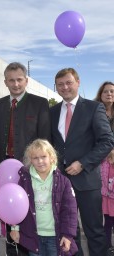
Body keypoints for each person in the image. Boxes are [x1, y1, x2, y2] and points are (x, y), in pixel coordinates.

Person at [50, 68, 114, 256]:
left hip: (87, 180)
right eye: (60, 84)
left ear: (78, 82)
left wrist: (83, 163)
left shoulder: (94, 108)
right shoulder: (52, 112)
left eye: (69, 82)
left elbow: (107, 141)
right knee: (69, 232)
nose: (65, 87)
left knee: (94, 230)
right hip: (61, 181)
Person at [0, 62, 51, 256]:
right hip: (4, 172)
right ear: (5, 82)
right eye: (11, 80)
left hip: (30, 169)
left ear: (26, 80)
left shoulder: (39, 103)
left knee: (30, 216)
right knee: (9, 214)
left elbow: (44, 139)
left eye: (19, 80)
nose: (16, 84)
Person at [10, 139, 78, 256]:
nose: (40, 161)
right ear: (31, 160)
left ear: (51, 157)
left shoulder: (64, 182)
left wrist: (67, 235)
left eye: (43, 156)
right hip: (33, 236)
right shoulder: (24, 180)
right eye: (35, 158)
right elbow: (16, 206)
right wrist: (15, 228)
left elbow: (70, 211)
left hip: (55, 237)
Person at [94, 81, 114, 251]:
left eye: (112, 91)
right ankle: (106, 243)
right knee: (105, 207)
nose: (109, 94)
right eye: (106, 91)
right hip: (101, 163)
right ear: (100, 94)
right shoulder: (95, 111)